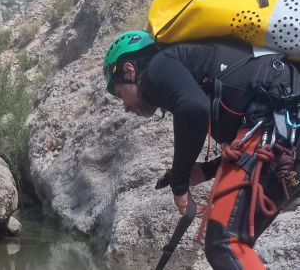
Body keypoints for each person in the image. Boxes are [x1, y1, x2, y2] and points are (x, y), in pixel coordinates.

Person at [103, 30, 300, 269]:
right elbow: (244, 144)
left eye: (120, 93)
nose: (124, 106)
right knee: (233, 242)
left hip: (277, 120)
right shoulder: (189, 65)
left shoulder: (157, 68)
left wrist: (179, 184)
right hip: (284, 123)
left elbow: (194, 109)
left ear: (129, 70)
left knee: (225, 243)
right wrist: (206, 171)